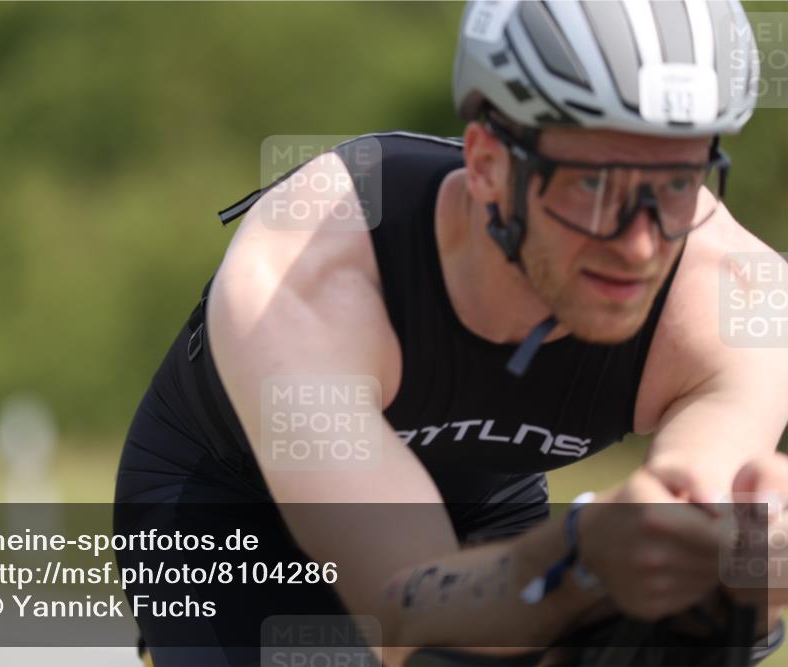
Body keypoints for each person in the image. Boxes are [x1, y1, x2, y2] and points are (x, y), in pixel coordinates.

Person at [113, 1, 788, 665]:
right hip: (231, 504)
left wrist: (733, 565)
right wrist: (579, 556)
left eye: (677, 183)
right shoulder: (307, 271)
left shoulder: (742, 299)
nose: (640, 246)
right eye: (593, 184)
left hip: (482, 499)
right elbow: (410, 617)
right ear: (489, 163)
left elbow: (691, 532)